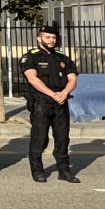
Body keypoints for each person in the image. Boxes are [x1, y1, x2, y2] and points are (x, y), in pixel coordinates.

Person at [21, 25, 79, 183]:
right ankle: (37, 170)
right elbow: (32, 79)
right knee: (40, 138)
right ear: (39, 38)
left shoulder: (62, 58)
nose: (51, 40)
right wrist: (52, 94)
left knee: (62, 138)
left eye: (53, 37)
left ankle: (64, 171)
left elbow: (72, 79)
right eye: (47, 37)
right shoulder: (30, 57)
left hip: (61, 101)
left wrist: (64, 93)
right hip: (42, 102)